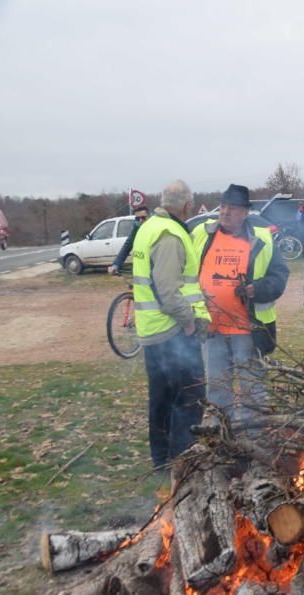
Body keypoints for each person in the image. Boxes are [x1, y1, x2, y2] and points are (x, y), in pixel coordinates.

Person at [193, 184, 289, 428]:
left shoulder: (262, 238)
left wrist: (257, 289)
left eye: (232, 208)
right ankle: (221, 438)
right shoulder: (202, 235)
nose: (225, 212)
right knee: (217, 388)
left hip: (248, 331)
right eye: (223, 206)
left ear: (245, 212)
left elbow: (279, 276)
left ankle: (256, 439)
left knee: (252, 389)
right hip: (212, 329)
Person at [132, 180, 210, 470]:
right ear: (187, 206)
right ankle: (182, 459)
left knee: (161, 397)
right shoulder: (171, 235)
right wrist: (189, 321)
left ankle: (161, 459)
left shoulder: (149, 227)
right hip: (173, 332)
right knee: (190, 397)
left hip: (153, 330)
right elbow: (167, 291)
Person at [108, 206, 150, 274]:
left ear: (149, 217)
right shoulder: (136, 227)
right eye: (137, 218)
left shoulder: (155, 229)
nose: (140, 221)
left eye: (143, 218)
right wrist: (116, 265)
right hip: (141, 269)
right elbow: (127, 246)